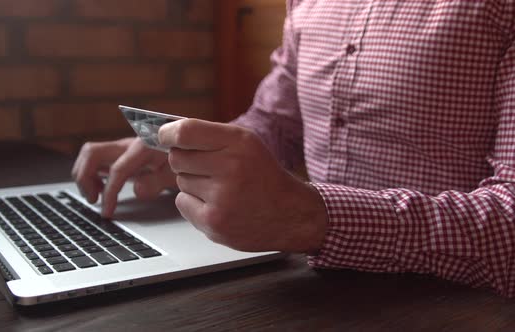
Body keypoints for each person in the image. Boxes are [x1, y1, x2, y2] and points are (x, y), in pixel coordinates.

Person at [72, 0, 515, 297]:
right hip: (304, 284)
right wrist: (179, 148)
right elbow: (275, 123)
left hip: (448, 302)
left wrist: (312, 217)